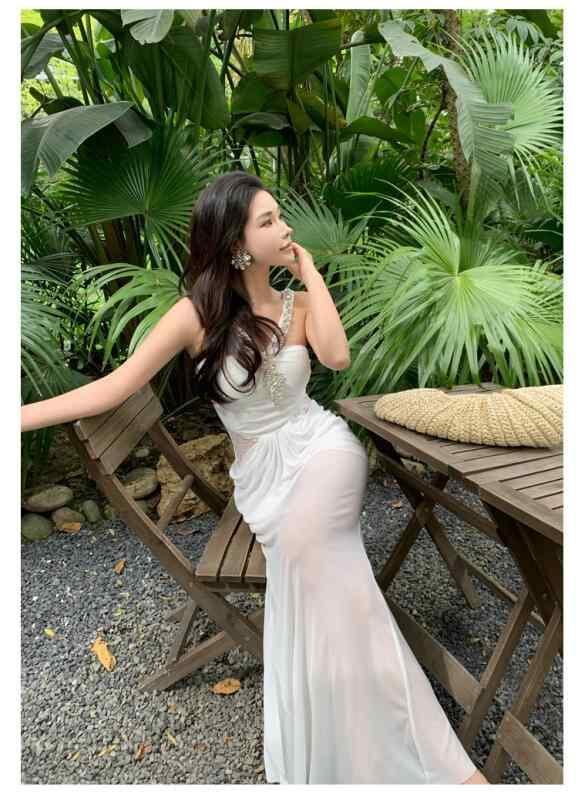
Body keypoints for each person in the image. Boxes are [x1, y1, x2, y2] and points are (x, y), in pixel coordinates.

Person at [21, 171, 489, 785]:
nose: (285, 229)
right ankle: (347, 727)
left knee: (314, 558)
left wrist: (311, 272)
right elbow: (114, 387)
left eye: (280, 217)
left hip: (323, 451)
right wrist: (16, 416)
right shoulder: (194, 316)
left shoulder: (297, 305)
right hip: (264, 478)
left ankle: (428, 756)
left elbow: (337, 356)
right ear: (235, 242)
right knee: (321, 574)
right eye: (268, 221)